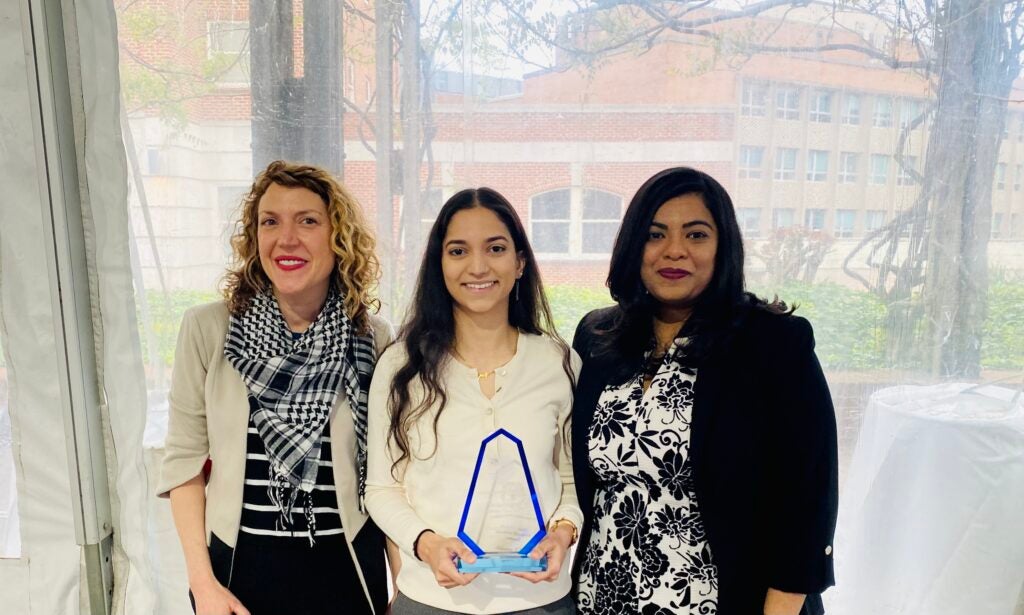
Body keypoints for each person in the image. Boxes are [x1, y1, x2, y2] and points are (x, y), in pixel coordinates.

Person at [571, 167, 839, 615]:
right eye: (655, 235)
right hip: (606, 595)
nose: (674, 251)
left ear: (723, 246)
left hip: (726, 602)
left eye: (696, 235)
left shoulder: (772, 342)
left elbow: (808, 499)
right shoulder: (599, 336)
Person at [157, 160, 392, 615]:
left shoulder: (371, 338)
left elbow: (388, 473)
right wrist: (201, 584)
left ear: (338, 237)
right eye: (270, 222)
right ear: (254, 238)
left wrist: (400, 589)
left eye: (307, 221)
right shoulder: (209, 330)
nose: (286, 239)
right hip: (237, 574)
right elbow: (183, 463)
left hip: (346, 571)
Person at [365, 188, 582, 614]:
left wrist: (562, 532)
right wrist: (427, 545)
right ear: (440, 265)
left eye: (496, 248)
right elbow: (381, 489)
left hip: (541, 600)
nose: (478, 266)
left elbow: (572, 483)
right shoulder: (400, 365)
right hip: (431, 599)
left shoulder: (558, 362)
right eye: (458, 250)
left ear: (519, 262)